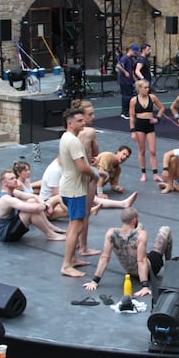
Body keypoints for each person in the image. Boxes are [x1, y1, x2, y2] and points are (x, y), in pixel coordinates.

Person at [83, 208, 173, 298]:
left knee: (140, 226)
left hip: (130, 270)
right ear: (134, 220)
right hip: (150, 269)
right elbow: (141, 261)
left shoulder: (110, 233)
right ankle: (170, 264)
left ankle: (165, 263)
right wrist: (144, 286)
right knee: (165, 229)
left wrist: (95, 281)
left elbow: (104, 258)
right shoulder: (142, 234)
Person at [58, 107, 96, 277]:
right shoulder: (73, 141)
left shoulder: (66, 137)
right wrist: (94, 173)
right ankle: (66, 265)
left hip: (69, 186)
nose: (84, 123)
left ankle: (72, 258)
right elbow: (81, 166)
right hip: (74, 189)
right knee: (77, 225)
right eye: (80, 121)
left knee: (74, 224)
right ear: (70, 123)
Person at [37, 157, 138, 220]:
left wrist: (97, 172)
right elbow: (57, 195)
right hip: (50, 203)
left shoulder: (65, 166)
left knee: (89, 197)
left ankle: (123, 203)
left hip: (63, 196)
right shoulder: (54, 171)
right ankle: (88, 211)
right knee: (71, 210)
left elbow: (80, 170)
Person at [0, 169, 66, 242]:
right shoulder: (6, 199)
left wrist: (44, 204)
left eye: (15, 178)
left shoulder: (14, 192)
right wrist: (46, 206)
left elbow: (33, 196)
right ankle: (50, 234)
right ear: (4, 183)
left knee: (32, 201)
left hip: (11, 226)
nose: (15, 180)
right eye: (11, 179)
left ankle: (50, 227)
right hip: (6, 234)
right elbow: (35, 209)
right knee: (30, 210)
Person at [74, 98, 102, 257]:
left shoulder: (70, 133)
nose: (93, 117)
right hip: (87, 174)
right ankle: (83, 246)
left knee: (76, 213)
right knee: (85, 212)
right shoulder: (90, 132)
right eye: (90, 114)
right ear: (82, 116)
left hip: (73, 174)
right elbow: (96, 152)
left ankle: (77, 242)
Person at [129, 79, 165, 182]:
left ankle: (155, 174)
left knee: (153, 151)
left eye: (148, 87)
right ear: (139, 88)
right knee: (142, 150)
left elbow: (161, 108)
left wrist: (157, 118)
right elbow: (132, 116)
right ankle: (143, 173)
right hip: (139, 125)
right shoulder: (134, 100)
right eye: (145, 88)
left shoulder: (152, 97)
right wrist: (132, 131)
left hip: (150, 125)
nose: (147, 89)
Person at [117, 44, 139, 119]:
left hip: (129, 81)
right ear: (130, 50)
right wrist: (125, 72)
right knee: (126, 97)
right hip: (124, 81)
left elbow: (132, 72)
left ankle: (128, 111)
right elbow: (118, 65)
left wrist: (136, 81)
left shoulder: (130, 59)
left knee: (130, 96)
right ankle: (124, 112)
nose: (135, 54)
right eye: (135, 52)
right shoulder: (125, 58)